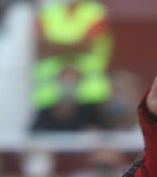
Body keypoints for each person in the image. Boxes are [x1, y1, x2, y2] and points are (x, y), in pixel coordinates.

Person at [30, 0, 112, 132]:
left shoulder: (95, 12)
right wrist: (75, 47)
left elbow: (87, 45)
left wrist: (55, 48)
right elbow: (42, 46)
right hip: (50, 95)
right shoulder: (47, 13)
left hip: (88, 94)